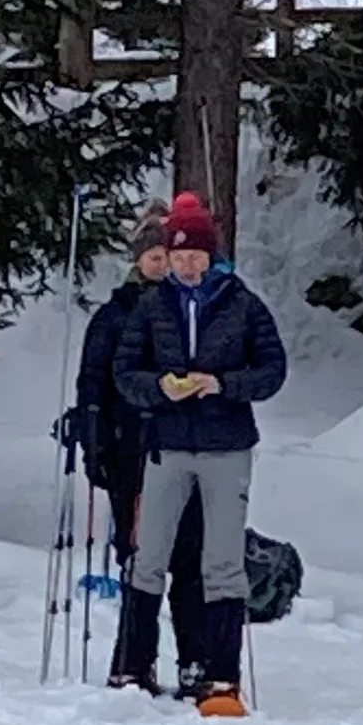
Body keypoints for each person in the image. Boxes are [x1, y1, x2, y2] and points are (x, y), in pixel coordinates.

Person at [112, 192, 287, 716]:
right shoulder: (151, 305)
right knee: (149, 557)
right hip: (167, 445)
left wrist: (223, 385)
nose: (187, 265)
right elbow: (126, 373)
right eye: (179, 255)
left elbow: (271, 371)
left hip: (226, 445)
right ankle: (133, 665)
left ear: (212, 257)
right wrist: (161, 387)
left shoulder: (242, 303)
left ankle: (221, 677)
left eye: (196, 256)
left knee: (222, 563)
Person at [76, 202, 209, 696]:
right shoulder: (115, 315)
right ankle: (134, 660)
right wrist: (93, 435)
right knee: (137, 556)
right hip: (131, 452)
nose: (159, 264)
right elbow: (94, 379)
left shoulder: (194, 310)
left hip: (188, 449)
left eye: (165, 256)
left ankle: (195, 660)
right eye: (150, 256)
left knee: (190, 556)